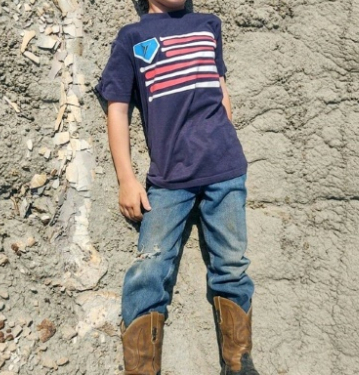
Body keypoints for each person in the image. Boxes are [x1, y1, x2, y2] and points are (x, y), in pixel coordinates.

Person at [95, 0, 260, 374]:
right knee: (149, 269)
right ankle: (141, 369)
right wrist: (127, 178)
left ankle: (239, 364)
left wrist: (226, 138)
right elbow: (117, 108)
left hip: (225, 169)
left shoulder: (207, 24)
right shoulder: (132, 37)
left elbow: (220, 89)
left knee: (232, 266)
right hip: (169, 179)